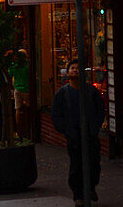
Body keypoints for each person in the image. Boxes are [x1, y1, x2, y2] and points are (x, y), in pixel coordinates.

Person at [52, 59, 105, 207]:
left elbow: (99, 110)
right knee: (76, 165)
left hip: (90, 134)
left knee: (93, 163)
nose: (75, 70)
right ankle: (78, 195)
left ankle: (91, 188)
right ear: (68, 73)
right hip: (74, 136)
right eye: (72, 68)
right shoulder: (63, 93)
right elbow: (56, 113)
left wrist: (94, 127)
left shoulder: (91, 91)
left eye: (78, 68)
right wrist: (65, 130)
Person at [9, 49, 31, 139]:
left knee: (17, 109)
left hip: (17, 89)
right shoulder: (27, 66)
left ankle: (19, 129)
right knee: (29, 107)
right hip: (27, 89)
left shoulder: (14, 66)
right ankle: (29, 125)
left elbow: (10, 73)